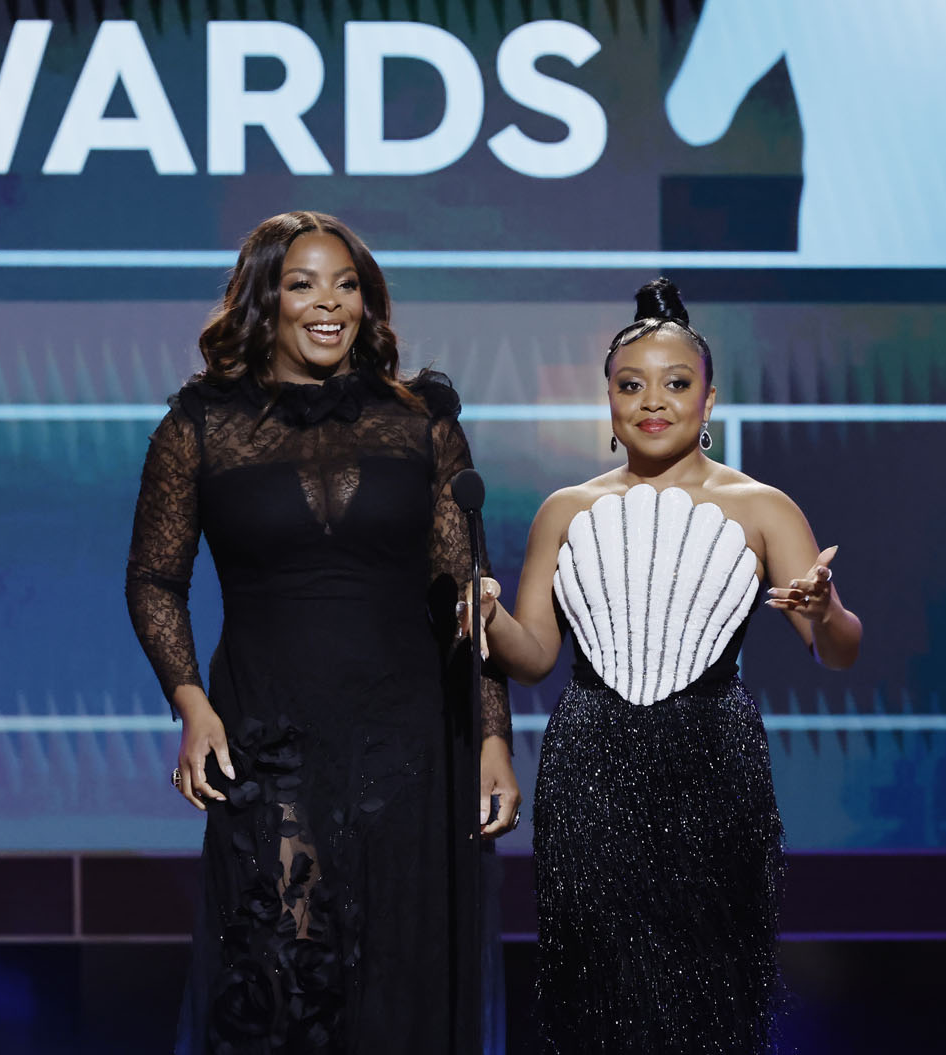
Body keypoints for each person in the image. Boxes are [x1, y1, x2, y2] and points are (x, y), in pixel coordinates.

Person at [125, 211, 520, 1055]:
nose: (328, 303)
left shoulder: (422, 420)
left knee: (400, 981)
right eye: (302, 284)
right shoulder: (200, 425)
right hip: (270, 737)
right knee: (282, 982)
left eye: (346, 284)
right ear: (264, 299)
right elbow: (155, 580)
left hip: (410, 741)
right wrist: (192, 705)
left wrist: (492, 737)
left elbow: (467, 600)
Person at [469, 278, 861, 1053]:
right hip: (589, 768)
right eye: (631, 385)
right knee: (599, 991)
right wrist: (488, 618)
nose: (654, 401)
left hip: (713, 763)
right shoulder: (564, 510)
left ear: (709, 400)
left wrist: (821, 610)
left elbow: (839, 649)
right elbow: (536, 657)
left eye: (677, 384)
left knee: (709, 989)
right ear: (609, 402)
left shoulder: (763, 506)